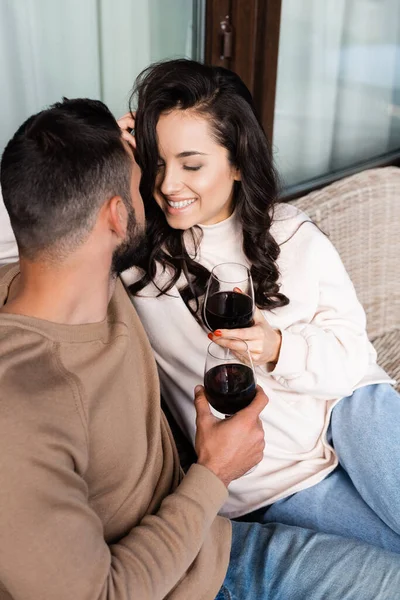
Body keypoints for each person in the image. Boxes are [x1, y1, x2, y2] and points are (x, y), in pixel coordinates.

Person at [2, 99, 400, 600]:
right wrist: (214, 473)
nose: (163, 186)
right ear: (115, 215)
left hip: (227, 523)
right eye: (146, 171)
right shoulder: (22, 410)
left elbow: (33, 192)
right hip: (203, 558)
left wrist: (102, 142)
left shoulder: (84, 277)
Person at [117, 59, 400, 553]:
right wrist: (104, 151)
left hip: (352, 408)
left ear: (238, 161)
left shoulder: (291, 233)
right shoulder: (140, 262)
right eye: (158, 162)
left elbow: (355, 358)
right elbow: (20, 225)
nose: (167, 185)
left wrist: (277, 349)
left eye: (191, 164)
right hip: (277, 477)